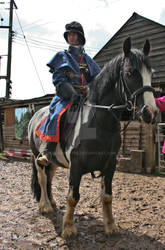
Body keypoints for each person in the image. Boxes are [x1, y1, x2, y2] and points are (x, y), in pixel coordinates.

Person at [35, 21, 101, 166]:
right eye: (69, 34)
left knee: (93, 116)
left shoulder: (87, 59)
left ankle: (89, 151)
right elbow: (59, 79)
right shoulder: (62, 56)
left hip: (85, 97)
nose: (71, 37)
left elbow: (96, 79)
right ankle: (47, 150)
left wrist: (89, 90)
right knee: (57, 114)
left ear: (79, 37)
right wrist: (72, 93)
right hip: (65, 96)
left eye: (74, 34)